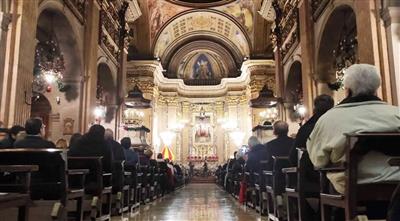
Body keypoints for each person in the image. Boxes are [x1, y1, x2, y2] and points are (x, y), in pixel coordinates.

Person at [307, 64, 400, 219]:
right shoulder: (396, 113)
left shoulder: (329, 119)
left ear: (347, 89)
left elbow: (318, 160)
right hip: (397, 185)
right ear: (376, 88)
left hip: (352, 186)